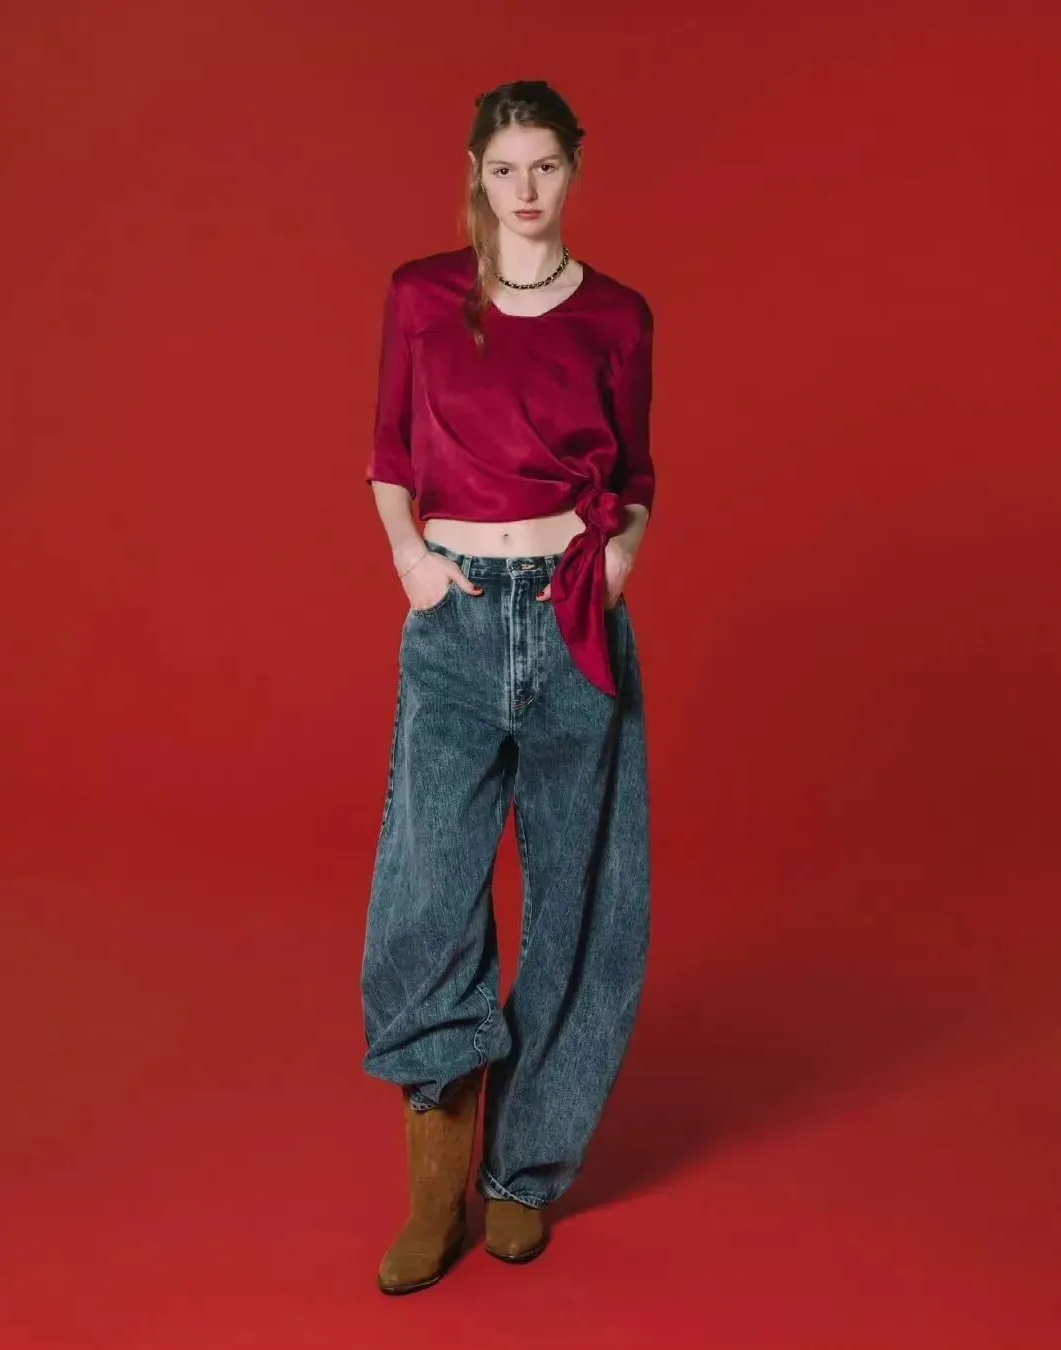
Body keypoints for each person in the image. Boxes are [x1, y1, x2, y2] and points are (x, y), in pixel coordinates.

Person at [360, 79, 655, 1295]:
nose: (525, 189)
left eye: (545, 166)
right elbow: (389, 454)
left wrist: (619, 560)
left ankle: (524, 1174)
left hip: (575, 621)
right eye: (504, 168)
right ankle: (437, 1192)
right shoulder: (421, 298)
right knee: (428, 896)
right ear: (475, 174)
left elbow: (635, 474)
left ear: (575, 169)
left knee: (586, 901)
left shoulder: (620, 315)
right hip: (459, 618)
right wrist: (413, 563)